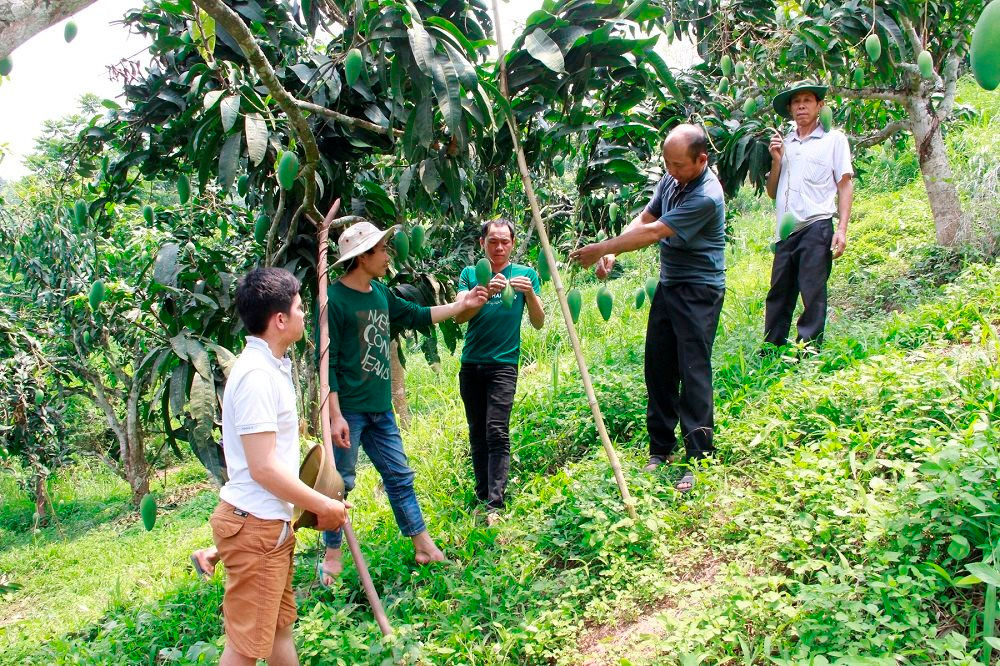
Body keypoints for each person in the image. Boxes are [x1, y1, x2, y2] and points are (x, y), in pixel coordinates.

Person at [317, 220, 489, 585]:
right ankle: (332, 557)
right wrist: (334, 415)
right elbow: (326, 362)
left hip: (380, 408)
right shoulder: (334, 300)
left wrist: (462, 304)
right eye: (381, 250)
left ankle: (422, 544)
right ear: (362, 257)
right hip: (348, 410)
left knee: (399, 476)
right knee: (340, 484)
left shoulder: (380, 292)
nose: (387, 255)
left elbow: (415, 315)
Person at [570, 123, 726, 492]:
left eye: (678, 165)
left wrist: (606, 246)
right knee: (658, 366)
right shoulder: (673, 179)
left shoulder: (707, 195)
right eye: (667, 164)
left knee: (693, 371)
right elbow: (646, 217)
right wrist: (610, 249)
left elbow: (656, 233)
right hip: (670, 286)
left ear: (701, 160)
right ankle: (661, 449)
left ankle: (700, 456)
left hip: (699, 290)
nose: (671, 171)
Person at [210, 267, 350, 666]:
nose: (307, 316)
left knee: (276, 630)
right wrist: (323, 506)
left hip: (266, 526)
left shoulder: (270, 368)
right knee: (244, 647)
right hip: (255, 526)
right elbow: (263, 469)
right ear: (280, 319)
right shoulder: (256, 376)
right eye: (301, 308)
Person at [454, 218, 544, 524]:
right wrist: (481, 294)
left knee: (496, 430)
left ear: (513, 244)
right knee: (478, 432)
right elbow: (458, 317)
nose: (499, 247)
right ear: (482, 244)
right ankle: (481, 495)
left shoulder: (525, 275)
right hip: (471, 365)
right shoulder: (470, 274)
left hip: (504, 365)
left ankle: (496, 502)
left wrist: (530, 294)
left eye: (505, 241)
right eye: (493, 241)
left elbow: (538, 321)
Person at [763, 81, 854, 350]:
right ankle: (772, 348)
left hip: (817, 226)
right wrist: (777, 160)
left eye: (807, 100)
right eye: (795, 102)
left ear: (819, 106)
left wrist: (842, 229)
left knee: (813, 293)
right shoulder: (784, 143)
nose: (801, 105)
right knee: (778, 294)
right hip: (786, 231)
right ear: (790, 109)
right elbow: (771, 192)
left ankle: (809, 350)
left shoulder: (833, 140)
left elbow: (844, 184)